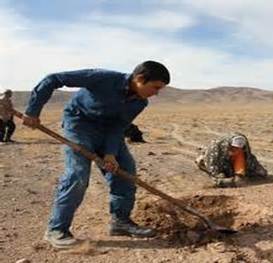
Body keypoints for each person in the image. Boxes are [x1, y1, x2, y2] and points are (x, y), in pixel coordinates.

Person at [22, 61, 170, 249]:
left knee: (125, 172)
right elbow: (54, 79)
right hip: (79, 126)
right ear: (140, 79)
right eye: (155, 87)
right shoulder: (103, 78)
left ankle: (120, 222)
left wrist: (110, 153)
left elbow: (118, 127)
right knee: (77, 175)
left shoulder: (140, 103)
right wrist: (32, 111)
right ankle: (57, 229)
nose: (156, 93)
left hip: (107, 133)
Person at [195, 132, 267, 187]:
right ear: (229, 145)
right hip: (217, 161)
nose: (236, 150)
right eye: (233, 148)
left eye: (238, 149)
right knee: (202, 163)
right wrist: (225, 180)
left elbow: (248, 160)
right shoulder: (216, 147)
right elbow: (213, 167)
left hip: (231, 162)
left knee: (261, 173)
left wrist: (240, 176)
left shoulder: (243, 149)